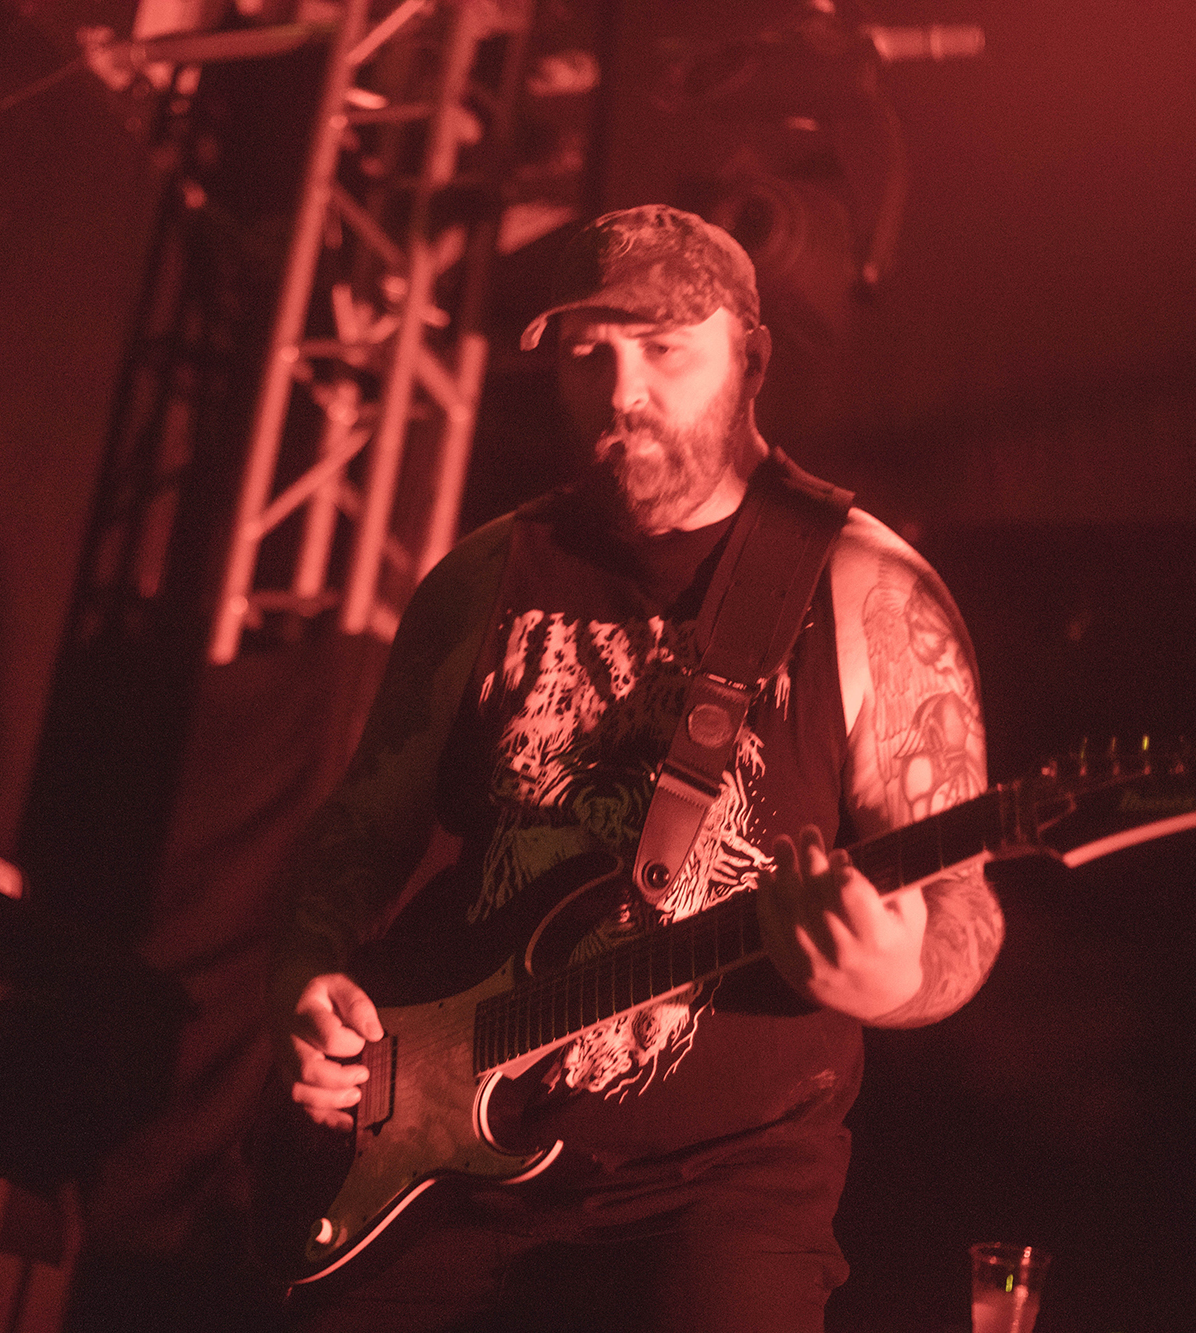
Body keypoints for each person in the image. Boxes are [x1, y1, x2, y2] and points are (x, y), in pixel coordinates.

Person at [267, 204, 1004, 1332]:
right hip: (429, 1169)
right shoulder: (481, 578)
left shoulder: (869, 592)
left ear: (751, 359)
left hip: (713, 1201)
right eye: (588, 354)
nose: (622, 391)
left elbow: (964, 909)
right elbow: (359, 830)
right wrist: (306, 980)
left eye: (665, 349)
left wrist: (892, 975)